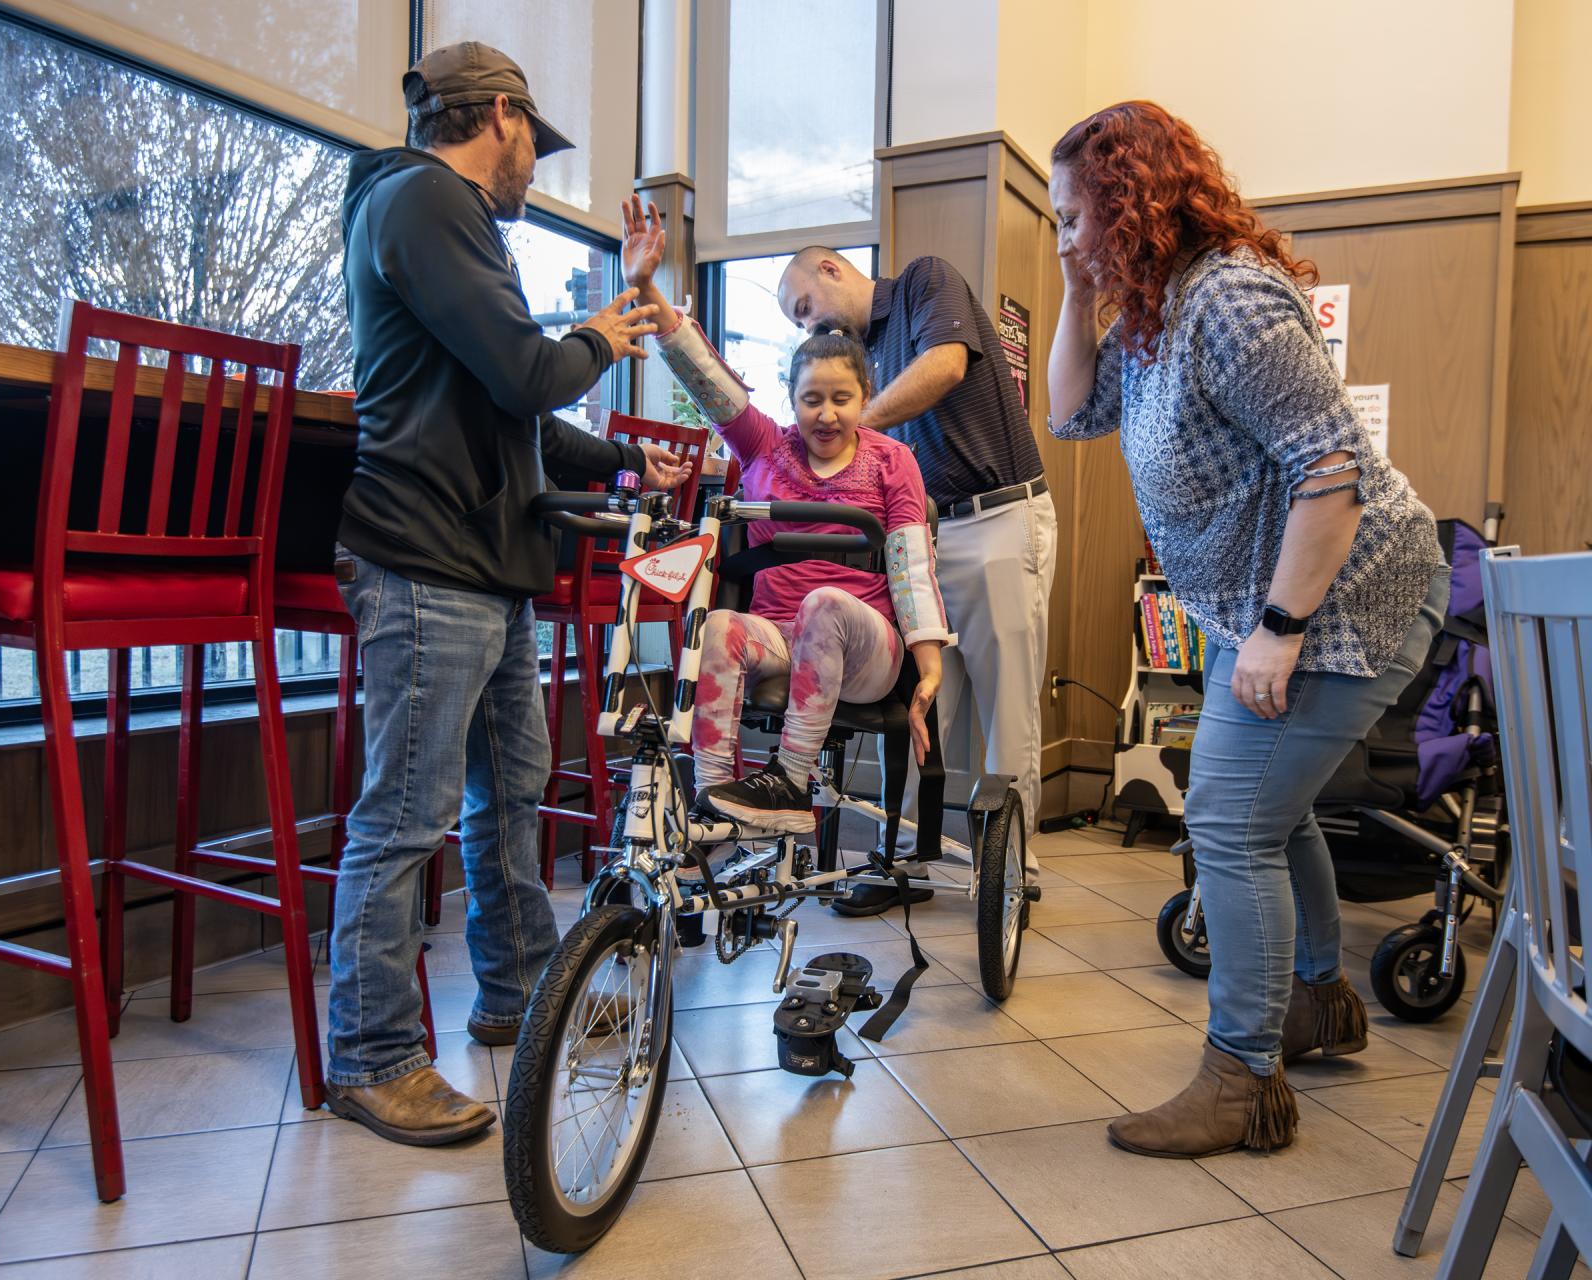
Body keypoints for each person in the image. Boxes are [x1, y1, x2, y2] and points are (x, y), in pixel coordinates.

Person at [1047, 101, 1448, 1157]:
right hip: (1263, 606)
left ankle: (1243, 1077)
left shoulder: (1225, 299)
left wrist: (1276, 628)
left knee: (1225, 823)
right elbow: (1064, 411)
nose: (1063, 233)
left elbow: (1332, 469)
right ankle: (1314, 1001)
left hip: (1346, 600)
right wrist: (1071, 282)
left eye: (1073, 215)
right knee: (1273, 811)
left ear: (1128, 201)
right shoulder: (1150, 313)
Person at [325, 42, 690, 1147]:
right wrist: (601, 328)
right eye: (535, 140)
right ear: (500, 117)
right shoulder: (423, 200)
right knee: (408, 815)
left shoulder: (448, 220)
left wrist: (624, 465)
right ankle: (374, 1053)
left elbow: (514, 410)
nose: (536, 164)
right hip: (425, 556)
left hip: (483, 565)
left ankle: (521, 987)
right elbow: (531, 372)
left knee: (507, 799)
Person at [620, 197, 952, 829]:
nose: (826, 414)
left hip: (865, 648)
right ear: (792, 401)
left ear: (865, 397)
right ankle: (714, 801)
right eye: (811, 400)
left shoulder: (892, 461)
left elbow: (911, 566)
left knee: (824, 602)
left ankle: (790, 784)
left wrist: (929, 669)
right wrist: (648, 291)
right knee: (720, 624)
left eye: (841, 399)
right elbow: (708, 382)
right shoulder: (768, 447)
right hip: (780, 635)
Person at [775, 246, 1056, 913]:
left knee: (1004, 701)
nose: (807, 327)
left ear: (834, 271)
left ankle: (1013, 866)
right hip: (926, 537)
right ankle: (903, 860)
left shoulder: (926, 281)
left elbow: (946, 364)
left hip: (996, 515)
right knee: (921, 705)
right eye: (797, 323)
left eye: (805, 307)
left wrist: (852, 423)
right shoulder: (856, 357)